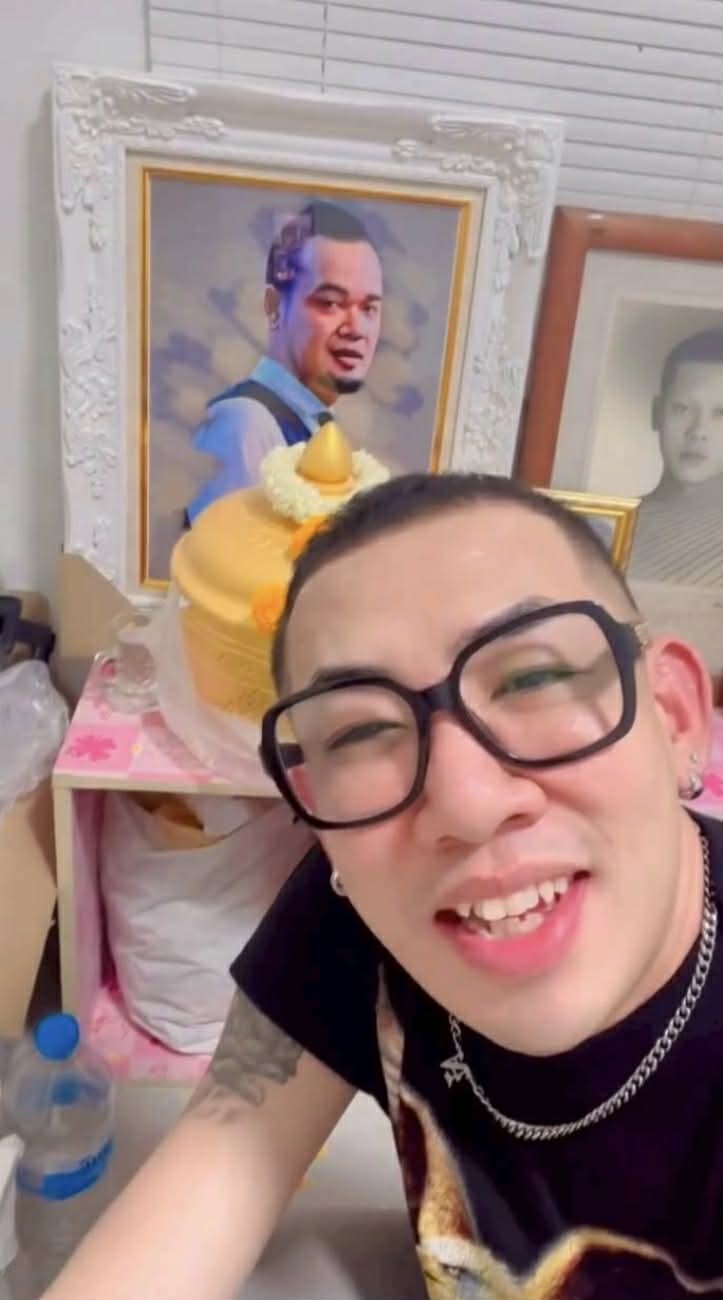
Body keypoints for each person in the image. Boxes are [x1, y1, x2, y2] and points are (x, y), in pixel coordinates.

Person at [45, 472, 722, 1300]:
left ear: (674, 715)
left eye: (529, 680)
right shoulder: (359, 906)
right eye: (362, 730)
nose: (465, 804)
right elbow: (209, 1182)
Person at [186, 199, 384, 524]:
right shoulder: (245, 425)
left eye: (369, 309)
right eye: (331, 303)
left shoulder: (317, 426)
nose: (356, 328)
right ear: (274, 305)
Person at [629, 327, 723, 587]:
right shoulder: (610, 528)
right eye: (682, 409)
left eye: (721, 414)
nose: (698, 431)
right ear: (656, 413)